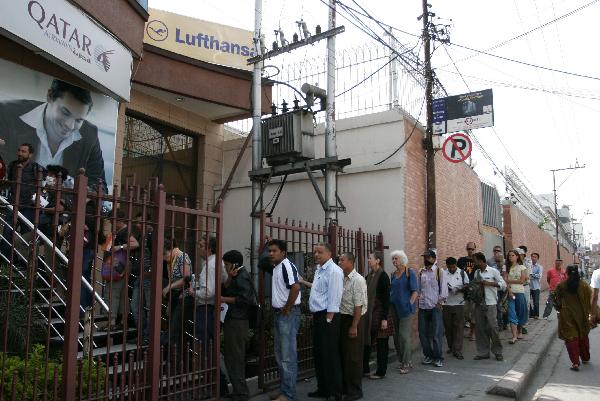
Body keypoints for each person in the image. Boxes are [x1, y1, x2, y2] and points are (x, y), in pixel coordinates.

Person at [0, 79, 106, 192]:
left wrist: (66, 200)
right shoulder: (6, 114)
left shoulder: (90, 134)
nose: (70, 126)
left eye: (79, 120)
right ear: (50, 96)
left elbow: (100, 187)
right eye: (65, 112)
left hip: (58, 208)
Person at [307, 243, 344, 401]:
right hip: (319, 316)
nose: (316, 254)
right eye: (315, 251)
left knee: (330, 355)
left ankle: (335, 393)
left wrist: (328, 319)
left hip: (329, 317)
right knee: (319, 354)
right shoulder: (319, 270)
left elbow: (334, 297)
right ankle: (323, 388)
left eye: (320, 252)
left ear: (329, 253)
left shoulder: (334, 271)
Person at [268, 239, 301, 401]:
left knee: (287, 356)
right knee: (280, 354)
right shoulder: (277, 267)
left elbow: (295, 287)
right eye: (270, 251)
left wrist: (287, 308)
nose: (271, 253)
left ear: (283, 252)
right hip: (280, 314)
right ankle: (284, 390)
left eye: (274, 251)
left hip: (287, 314)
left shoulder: (287, 265)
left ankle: (288, 394)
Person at [221, 250, 255, 401]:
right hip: (234, 320)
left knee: (235, 357)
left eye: (226, 265)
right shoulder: (236, 275)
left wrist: (223, 299)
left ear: (234, 264)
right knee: (232, 356)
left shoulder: (242, 277)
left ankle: (241, 393)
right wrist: (229, 277)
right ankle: (238, 391)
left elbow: (244, 300)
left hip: (237, 321)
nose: (225, 267)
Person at [338, 252, 367, 401]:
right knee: (344, 355)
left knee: (353, 357)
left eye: (342, 260)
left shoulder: (358, 280)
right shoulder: (342, 278)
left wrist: (354, 326)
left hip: (354, 320)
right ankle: (345, 387)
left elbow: (358, 305)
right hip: (342, 319)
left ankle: (355, 391)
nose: (339, 262)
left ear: (350, 262)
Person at [103, 210, 139, 331]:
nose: (111, 223)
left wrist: (120, 247)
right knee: (122, 294)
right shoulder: (119, 231)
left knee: (112, 292)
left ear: (119, 220)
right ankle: (123, 321)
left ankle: (112, 321)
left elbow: (135, 244)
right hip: (122, 266)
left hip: (119, 266)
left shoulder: (125, 231)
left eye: (112, 220)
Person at [362, 251, 394, 379]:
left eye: (370, 258)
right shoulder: (368, 276)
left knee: (382, 343)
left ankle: (381, 372)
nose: (368, 260)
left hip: (380, 314)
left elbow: (386, 299)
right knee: (366, 341)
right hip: (369, 314)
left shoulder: (383, 276)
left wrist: (385, 319)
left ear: (378, 261)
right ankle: (365, 369)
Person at [555, 265, 592, 371]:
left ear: (566, 273)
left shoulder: (561, 285)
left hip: (567, 315)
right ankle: (585, 357)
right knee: (583, 335)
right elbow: (589, 300)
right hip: (582, 314)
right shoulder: (584, 285)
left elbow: (556, 300)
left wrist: (559, 309)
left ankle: (575, 363)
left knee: (571, 338)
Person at [471, 252, 506, 361]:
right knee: (480, 329)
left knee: (493, 328)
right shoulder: (476, 272)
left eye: (475, 261)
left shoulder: (493, 271)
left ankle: (498, 351)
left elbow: (503, 284)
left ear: (481, 261)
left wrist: (489, 283)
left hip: (490, 303)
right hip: (479, 304)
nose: (474, 263)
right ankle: (483, 352)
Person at [389, 250, 418, 374]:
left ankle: (406, 363)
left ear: (402, 259)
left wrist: (409, 303)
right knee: (396, 336)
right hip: (394, 308)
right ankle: (404, 360)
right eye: (393, 259)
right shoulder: (393, 274)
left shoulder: (409, 272)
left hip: (405, 309)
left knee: (404, 336)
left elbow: (415, 291)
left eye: (396, 258)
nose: (394, 261)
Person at [418, 249, 447, 368]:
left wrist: (438, 302)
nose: (426, 259)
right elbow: (419, 289)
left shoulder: (440, 272)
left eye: (429, 257)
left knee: (436, 334)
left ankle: (438, 357)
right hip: (423, 307)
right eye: (425, 257)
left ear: (434, 259)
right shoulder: (421, 272)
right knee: (422, 333)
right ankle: (428, 355)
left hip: (435, 307)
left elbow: (444, 290)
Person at [163, 237, 192, 350]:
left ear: (170, 250)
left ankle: (176, 359)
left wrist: (169, 287)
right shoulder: (170, 261)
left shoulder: (181, 256)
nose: (163, 258)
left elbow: (186, 278)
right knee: (172, 327)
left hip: (184, 296)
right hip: (175, 297)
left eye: (164, 254)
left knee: (176, 329)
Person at [129, 212, 152, 345]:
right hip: (140, 275)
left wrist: (150, 270)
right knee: (135, 305)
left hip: (148, 275)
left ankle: (147, 335)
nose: (138, 225)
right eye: (137, 222)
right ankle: (142, 334)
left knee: (148, 307)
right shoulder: (142, 236)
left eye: (141, 222)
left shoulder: (151, 235)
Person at [443, 256, 469, 360]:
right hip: (446, 304)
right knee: (448, 328)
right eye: (450, 267)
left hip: (459, 303)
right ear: (447, 266)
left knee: (458, 327)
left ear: (456, 265)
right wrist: (447, 288)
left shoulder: (462, 273)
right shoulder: (443, 273)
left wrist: (459, 288)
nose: (452, 269)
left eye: (453, 267)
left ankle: (457, 350)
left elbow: (467, 284)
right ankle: (451, 346)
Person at [506, 249, 528, 344]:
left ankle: (519, 331)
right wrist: (509, 291)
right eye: (509, 255)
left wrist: (509, 281)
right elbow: (504, 281)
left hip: (520, 292)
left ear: (517, 256)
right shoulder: (506, 267)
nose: (511, 257)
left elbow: (522, 281)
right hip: (511, 293)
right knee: (512, 314)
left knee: (521, 312)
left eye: (512, 255)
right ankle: (514, 336)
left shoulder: (522, 267)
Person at [458, 242, 477, 339]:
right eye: (469, 249)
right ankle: (473, 325)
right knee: (465, 313)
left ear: (475, 249)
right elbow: (457, 273)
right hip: (464, 290)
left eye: (472, 249)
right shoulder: (461, 260)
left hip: (474, 290)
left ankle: (472, 333)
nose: (471, 251)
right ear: (466, 249)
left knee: (473, 312)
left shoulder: (477, 261)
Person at [488, 245, 507, 330]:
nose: (497, 252)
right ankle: (500, 324)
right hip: (497, 289)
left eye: (498, 250)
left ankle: (505, 323)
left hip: (506, 289)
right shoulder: (492, 265)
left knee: (505, 307)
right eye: (495, 250)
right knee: (498, 307)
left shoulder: (506, 265)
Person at [517, 246, 532, 334]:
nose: (519, 256)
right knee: (517, 306)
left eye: (520, 254)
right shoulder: (512, 263)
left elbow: (527, 276)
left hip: (524, 286)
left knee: (526, 305)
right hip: (515, 287)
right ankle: (518, 325)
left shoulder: (527, 263)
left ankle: (524, 325)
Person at [529, 253, 543, 319]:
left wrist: (531, 274)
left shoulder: (539, 267)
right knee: (527, 301)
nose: (533, 258)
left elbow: (539, 276)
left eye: (535, 257)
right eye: (532, 257)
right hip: (528, 286)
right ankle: (531, 314)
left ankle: (536, 315)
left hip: (536, 287)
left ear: (537, 259)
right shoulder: (528, 265)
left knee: (536, 302)